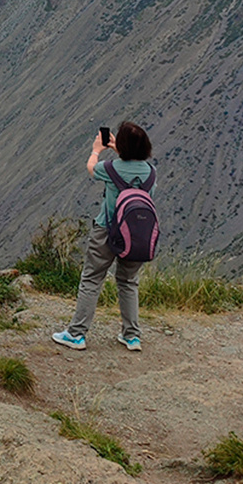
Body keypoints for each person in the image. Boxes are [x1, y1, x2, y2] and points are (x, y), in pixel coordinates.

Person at [52, 121, 155, 352]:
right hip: (137, 235)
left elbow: (92, 168)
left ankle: (77, 334)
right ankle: (132, 337)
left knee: (92, 279)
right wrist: (124, 151)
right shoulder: (151, 173)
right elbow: (133, 170)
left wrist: (97, 150)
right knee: (128, 282)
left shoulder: (110, 169)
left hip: (107, 232)